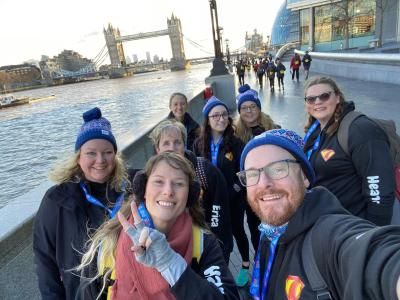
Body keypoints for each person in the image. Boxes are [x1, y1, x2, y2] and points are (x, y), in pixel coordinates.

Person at [237, 128, 400, 299]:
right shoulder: (269, 232)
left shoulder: (327, 236)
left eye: (278, 169)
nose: (264, 184)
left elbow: (376, 256)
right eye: (252, 174)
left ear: (305, 177)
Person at [76, 152, 240, 299]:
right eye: (159, 182)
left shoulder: (203, 244)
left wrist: (169, 262)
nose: (168, 191)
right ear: (144, 190)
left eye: (179, 184)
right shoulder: (108, 245)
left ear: (190, 196)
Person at [33, 107, 129, 300]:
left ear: (115, 156)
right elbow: (45, 262)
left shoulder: (129, 191)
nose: (100, 161)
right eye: (91, 153)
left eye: (107, 152)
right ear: (79, 157)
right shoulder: (56, 200)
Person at [303, 76, 394, 225]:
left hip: (353, 227)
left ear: (338, 97)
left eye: (324, 96)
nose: (317, 102)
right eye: (311, 99)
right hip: (326, 224)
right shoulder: (315, 130)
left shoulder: (361, 130)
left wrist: (373, 236)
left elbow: (380, 192)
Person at [149, 119, 233, 262]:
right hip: (172, 249)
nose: (172, 148)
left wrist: (215, 245)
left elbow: (220, 212)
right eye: (166, 143)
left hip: (206, 247)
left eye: (177, 142)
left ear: (184, 145)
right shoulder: (151, 176)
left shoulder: (205, 171)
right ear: (157, 149)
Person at [193, 96, 250, 287]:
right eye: (215, 115)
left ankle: (245, 264)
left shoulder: (236, 144)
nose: (221, 119)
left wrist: (232, 190)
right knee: (211, 231)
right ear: (207, 120)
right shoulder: (198, 144)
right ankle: (216, 266)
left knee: (237, 230)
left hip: (233, 199)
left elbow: (245, 174)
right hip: (208, 200)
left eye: (224, 114)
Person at [234, 84, 278, 250]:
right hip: (251, 192)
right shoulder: (235, 135)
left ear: (259, 108)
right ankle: (261, 258)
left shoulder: (274, 129)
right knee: (255, 230)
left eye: (253, 106)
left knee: (276, 224)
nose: (249, 111)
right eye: (244, 108)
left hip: (273, 187)